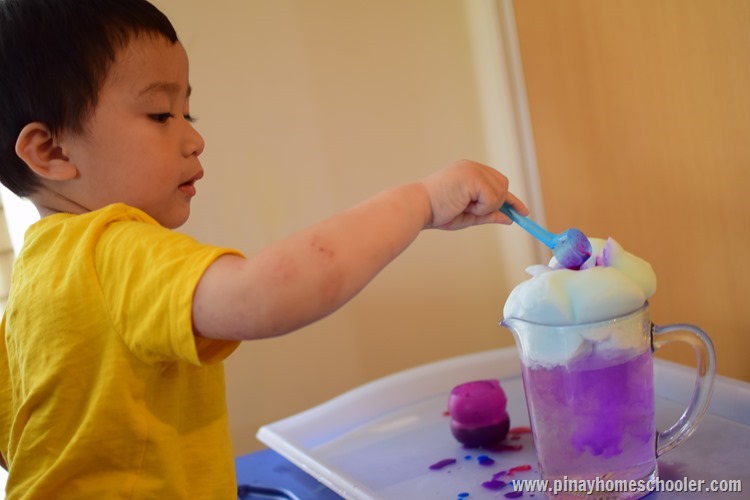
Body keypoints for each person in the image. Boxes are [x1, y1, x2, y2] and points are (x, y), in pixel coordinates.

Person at [0, 0, 528, 497]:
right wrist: (422, 202)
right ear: (51, 150)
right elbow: (264, 295)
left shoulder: (34, 282)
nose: (194, 139)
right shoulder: (109, 248)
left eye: (188, 114)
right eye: (161, 115)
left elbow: (17, 444)